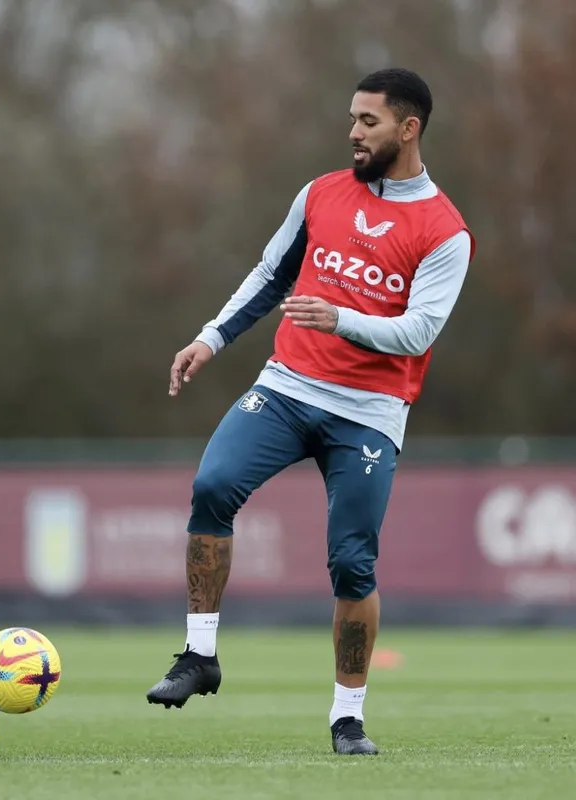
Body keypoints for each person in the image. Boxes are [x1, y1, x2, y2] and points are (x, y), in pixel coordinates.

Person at [145, 68, 474, 756]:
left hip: (372, 413)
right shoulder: (320, 193)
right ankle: (198, 655)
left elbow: (416, 333)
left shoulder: (446, 231)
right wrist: (210, 338)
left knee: (352, 564)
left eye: (369, 122)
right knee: (212, 486)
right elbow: (269, 274)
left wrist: (339, 317)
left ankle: (347, 717)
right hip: (288, 387)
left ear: (409, 129)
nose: (353, 132)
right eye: (352, 119)